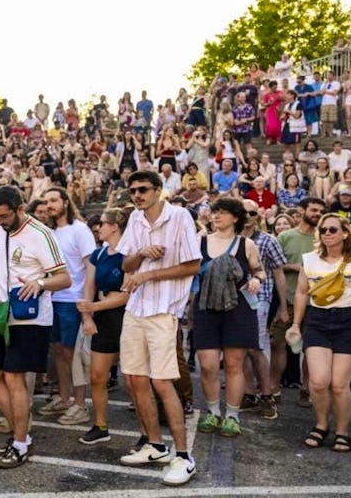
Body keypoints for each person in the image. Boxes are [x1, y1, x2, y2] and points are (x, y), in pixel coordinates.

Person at [0, 186, 71, 469]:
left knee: (14, 378)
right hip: (2, 315)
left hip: (30, 317)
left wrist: (39, 283)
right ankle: (19, 434)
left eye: (4, 216)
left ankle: (21, 442)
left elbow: (64, 279)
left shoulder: (41, 234)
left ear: (19, 208)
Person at [117, 171, 200, 486]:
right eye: (133, 190)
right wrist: (140, 255)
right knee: (135, 378)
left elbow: (193, 264)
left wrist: (149, 274)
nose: (137, 195)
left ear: (158, 191)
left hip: (164, 310)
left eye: (143, 190)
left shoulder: (179, 216)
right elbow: (125, 265)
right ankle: (155, 445)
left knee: (163, 382)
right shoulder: (135, 220)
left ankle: (183, 456)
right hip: (136, 308)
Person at [193, 198, 266, 438]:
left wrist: (256, 280)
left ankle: (232, 416)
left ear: (235, 217)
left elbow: (259, 271)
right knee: (208, 365)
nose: (216, 216)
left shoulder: (246, 244)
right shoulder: (200, 241)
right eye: (214, 212)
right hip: (206, 308)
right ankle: (213, 411)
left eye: (222, 213)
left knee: (235, 365)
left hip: (238, 309)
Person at [287, 213, 351, 452]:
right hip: (317, 320)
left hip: (350, 320)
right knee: (318, 382)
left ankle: (342, 431)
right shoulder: (309, 260)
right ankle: (321, 425)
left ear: (345, 233)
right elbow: (301, 293)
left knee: (339, 384)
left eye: (332, 229)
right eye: (323, 230)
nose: (327, 234)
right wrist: (296, 324)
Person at [38, 187, 97, 426]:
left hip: (73, 300)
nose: (49, 205)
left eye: (53, 200)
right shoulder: (49, 232)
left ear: (65, 201)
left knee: (74, 356)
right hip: (51, 300)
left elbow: (90, 266)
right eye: (46, 201)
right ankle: (64, 398)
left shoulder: (80, 230)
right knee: (60, 353)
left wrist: (86, 302)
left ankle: (80, 405)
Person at [77, 207, 133, 444]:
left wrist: (93, 309)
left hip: (127, 317)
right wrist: (88, 317)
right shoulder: (98, 254)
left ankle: (146, 433)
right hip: (103, 318)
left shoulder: (130, 254)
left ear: (115, 226)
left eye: (102, 223)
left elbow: (126, 295)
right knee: (98, 376)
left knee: (133, 379)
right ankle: (100, 425)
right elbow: (89, 286)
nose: (98, 227)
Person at [276, 198, 326, 406]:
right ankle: (273, 389)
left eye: (321, 211)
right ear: (301, 210)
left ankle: (305, 390)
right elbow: (275, 265)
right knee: (277, 344)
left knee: (310, 349)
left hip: (316, 302)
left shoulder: (324, 238)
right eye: (313, 210)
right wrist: (296, 267)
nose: (317, 214)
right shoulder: (286, 236)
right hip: (287, 298)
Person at [240, 199, 287, 421]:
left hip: (260, 300)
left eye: (252, 212)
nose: (247, 216)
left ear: (257, 216)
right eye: (243, 212)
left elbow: (279, 275)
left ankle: (267, 396)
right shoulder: (230, 239)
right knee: (238, 350)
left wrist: (283, 307)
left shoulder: (268, 241)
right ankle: (249, 394)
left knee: (256, 348)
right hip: (233, 302)